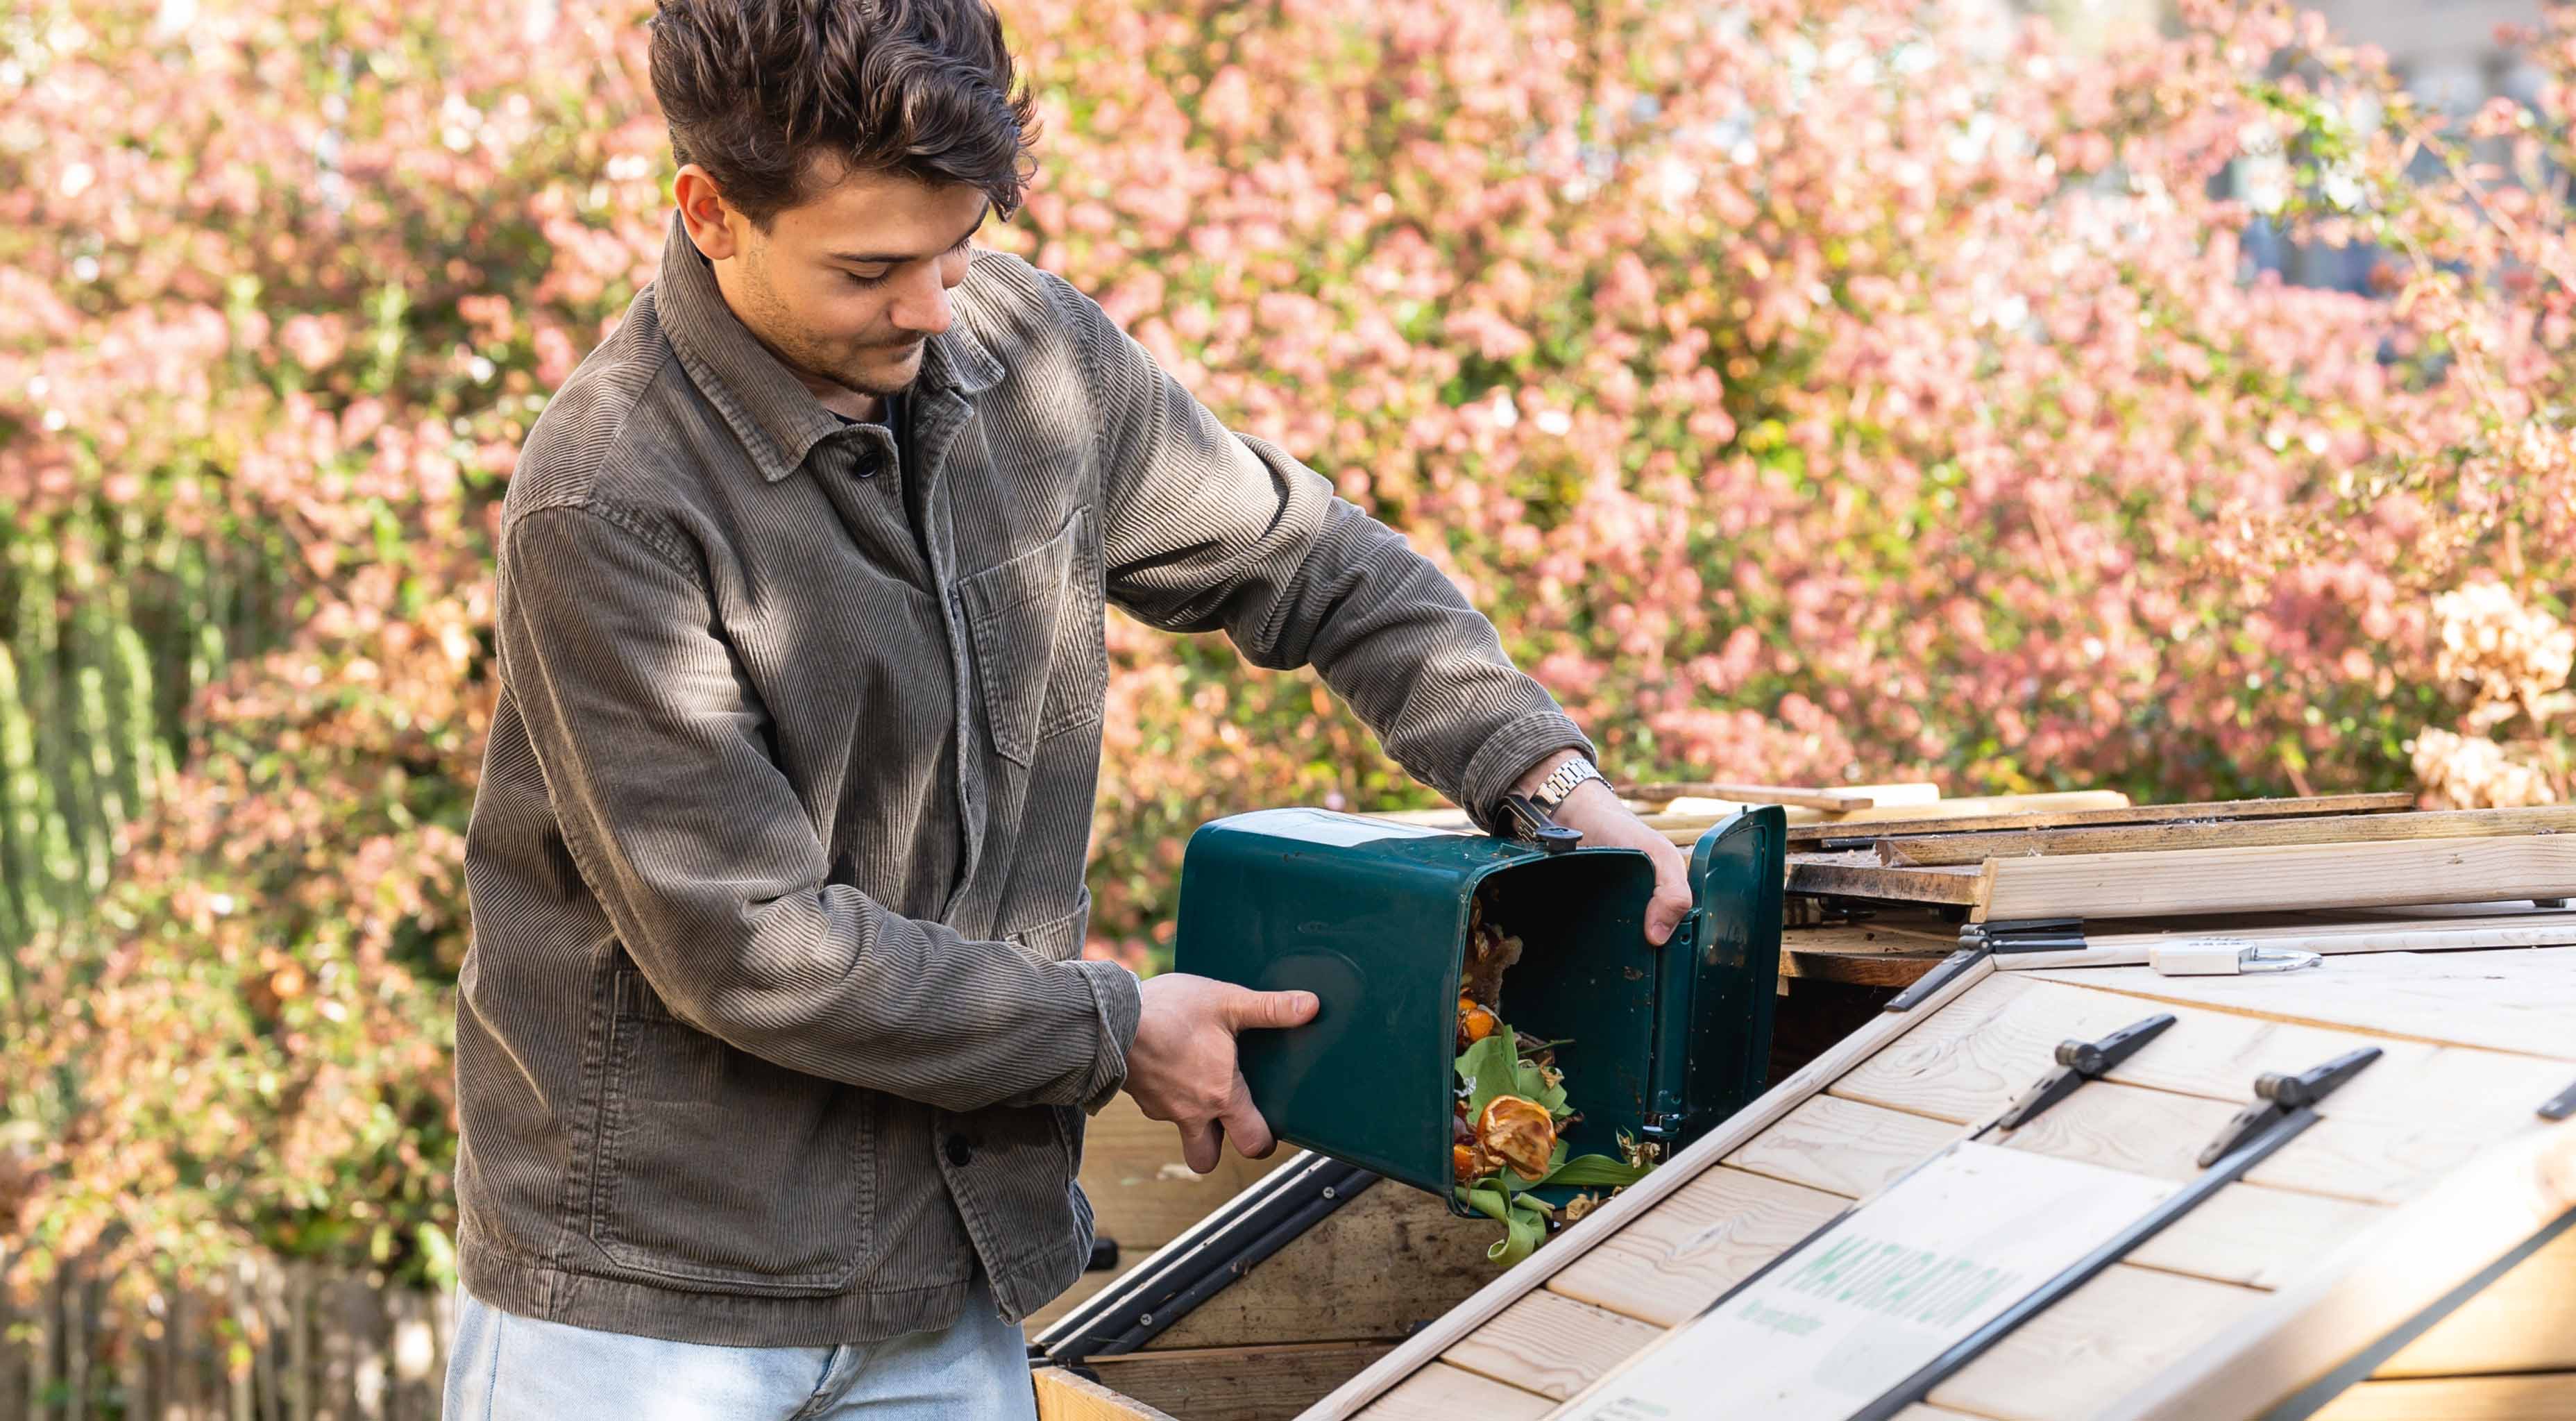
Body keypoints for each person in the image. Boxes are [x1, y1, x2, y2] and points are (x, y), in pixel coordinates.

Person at [442, 0, 1692, 1413]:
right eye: (870, 269)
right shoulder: (606, 496)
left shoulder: (1028, 357)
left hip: (941, 1275)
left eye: (954, 248)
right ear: (711, 213)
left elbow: (1305, 560)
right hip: (651, 1308)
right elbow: (746, 943)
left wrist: (1541, 778)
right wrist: (1113, 1026)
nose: (929, 308)